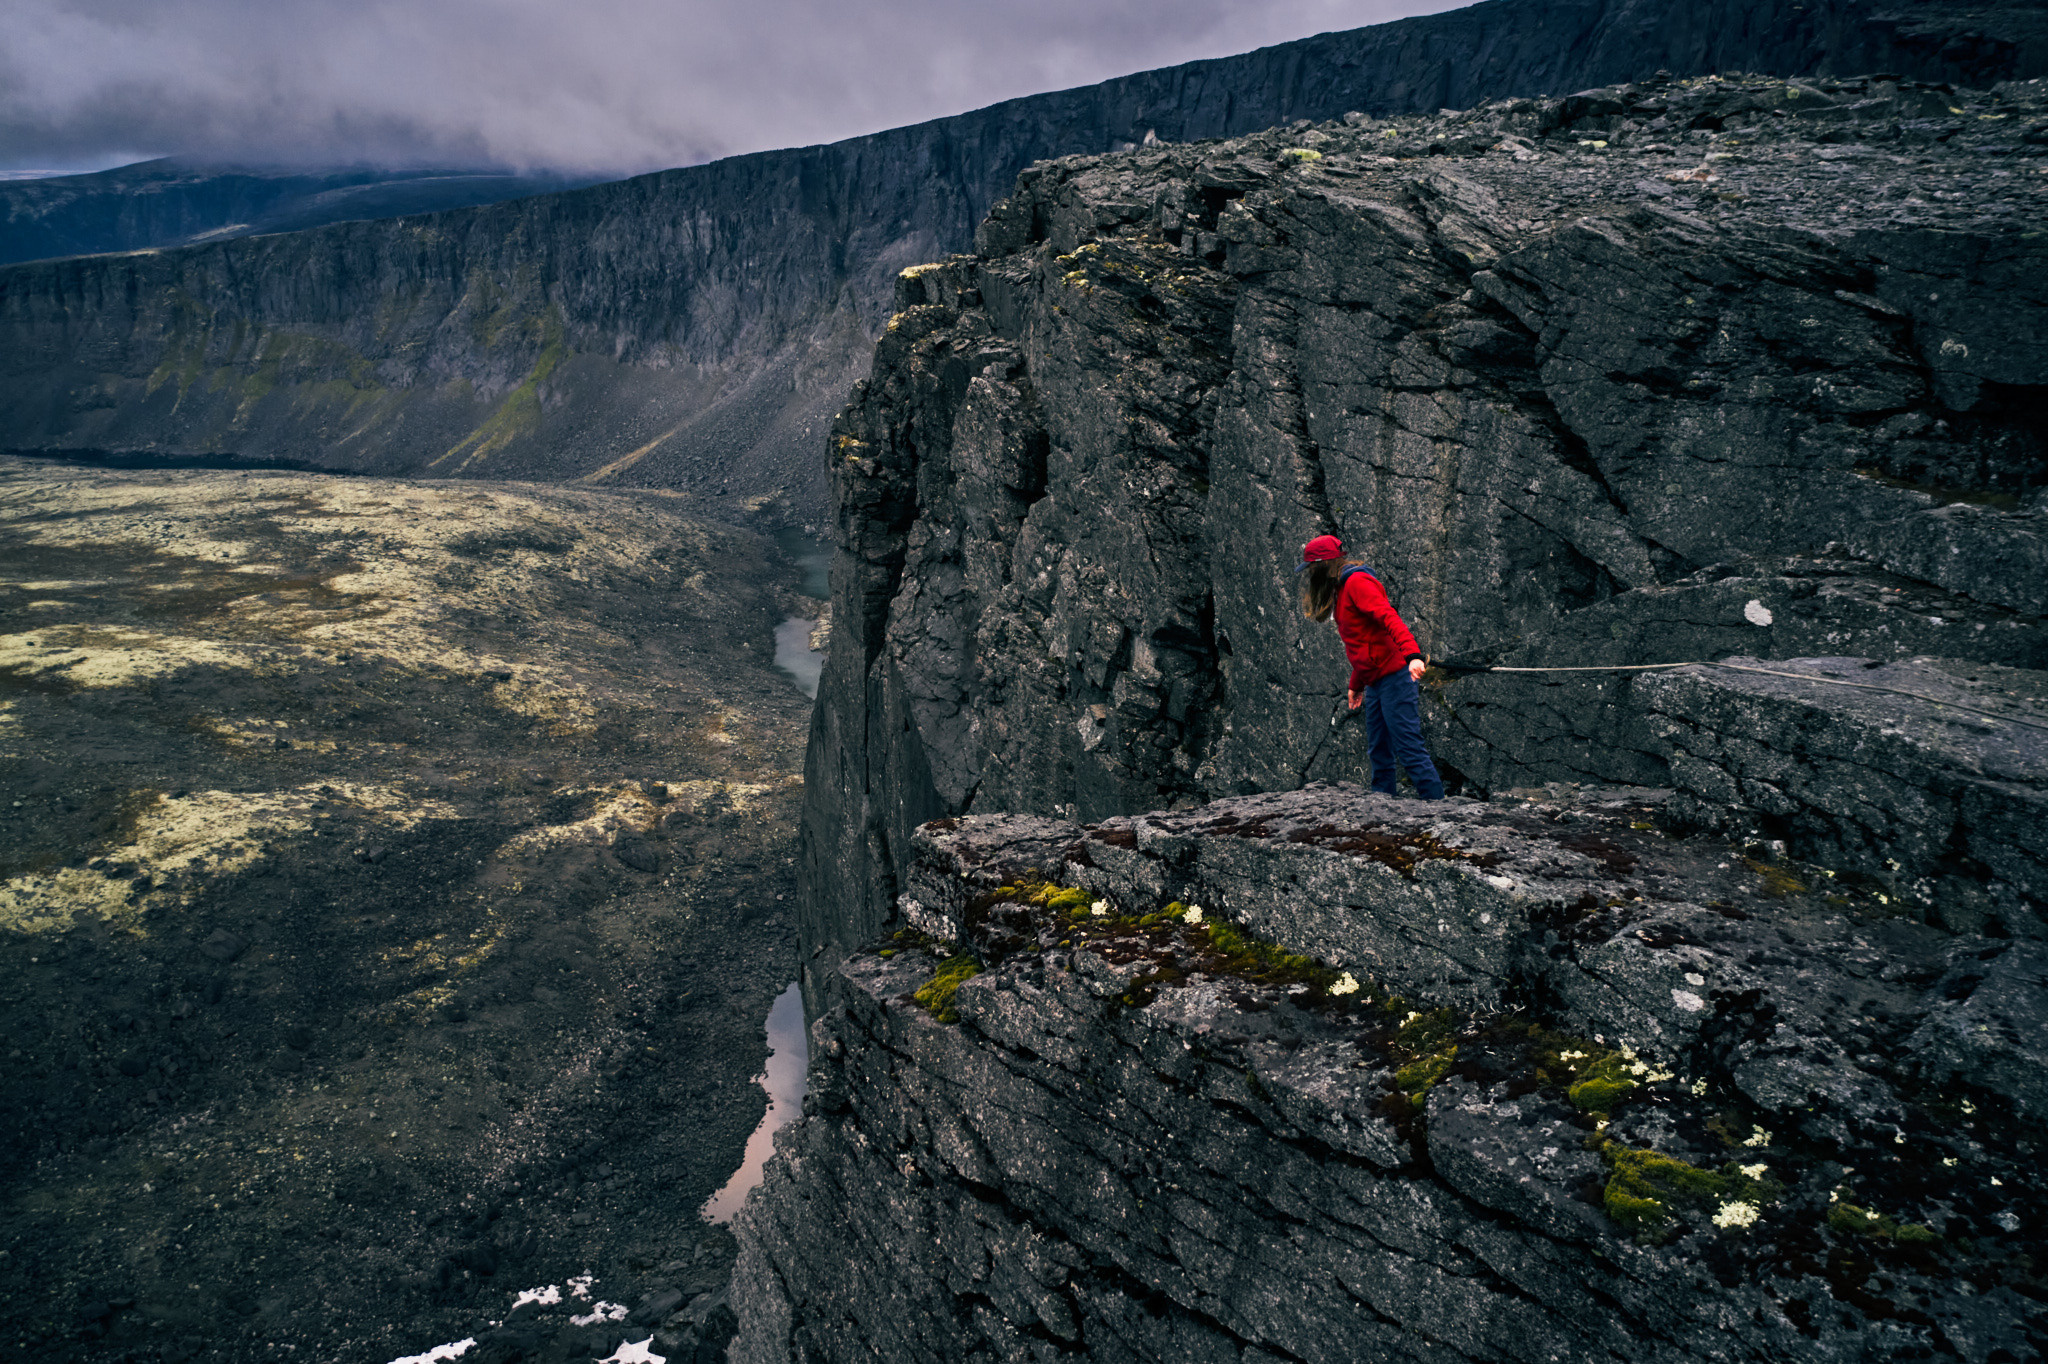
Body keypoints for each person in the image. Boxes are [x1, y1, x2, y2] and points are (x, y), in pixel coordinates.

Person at [1297, 534, 1444, 800]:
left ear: (1323, 564)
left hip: (1395, 677)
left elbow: (1389, 618)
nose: (1309, 574)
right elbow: (1363, 641)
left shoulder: (1357, 583)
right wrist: (1357, 685)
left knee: (1409, 748)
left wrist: (1413, 655)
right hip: (1375, 682)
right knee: (1378, 749)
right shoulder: (1340, 588)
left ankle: (1438, 809)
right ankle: (1382, 806)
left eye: (1311, 567)